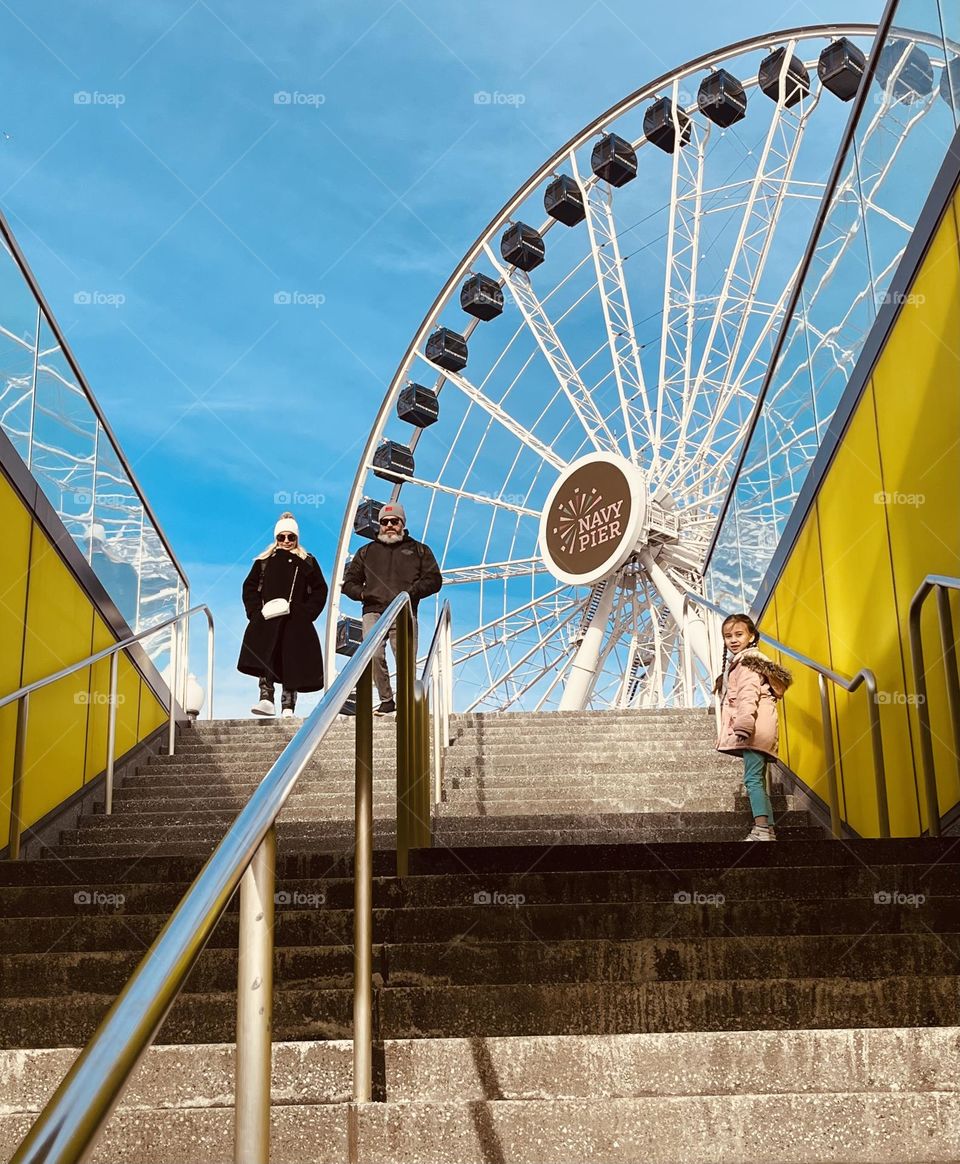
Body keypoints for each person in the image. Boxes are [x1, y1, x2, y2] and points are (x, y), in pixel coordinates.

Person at [341, 501, 442, 715]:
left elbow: (434, 580)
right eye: (384, 522)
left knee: (405, 660)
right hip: (374, 611)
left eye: (394, 521)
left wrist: (411, 593)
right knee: (373, 656)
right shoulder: (366, 552)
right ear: (379, 525)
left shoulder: (419, 550)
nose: (389, 526)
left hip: (405, 610)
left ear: (402, 523)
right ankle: (387, 700)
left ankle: (406, 703)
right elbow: (348, 582)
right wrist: (363, 594)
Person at [237, 512, 327, 718]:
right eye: (281, 537)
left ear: (297, 538)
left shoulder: (308, 561)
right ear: (276, 538)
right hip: (268, 618)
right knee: (267, 656)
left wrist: (307, 613)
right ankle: (266, 698)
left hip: (296, 621)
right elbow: (249, 588)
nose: (286, 541)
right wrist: (255, 613)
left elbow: (320, 589)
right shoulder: (264, 561)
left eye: (291, 537)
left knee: (292, 660)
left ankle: (288, 705)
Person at [714, 613, 793, 841]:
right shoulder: (746, 663)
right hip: (761, 729)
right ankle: (767, 829)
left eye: (739, 634)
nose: (733, 640)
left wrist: (744, 725)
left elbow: (748, 696)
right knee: (757, 777)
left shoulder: (747, 665)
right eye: (728, 636)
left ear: (751, 636)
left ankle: (761, 829)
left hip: (754, 729)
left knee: (752, 780)